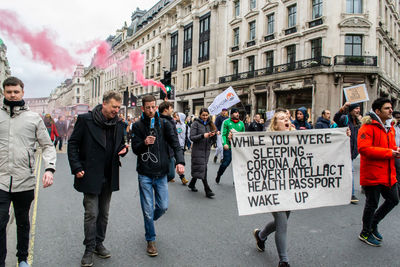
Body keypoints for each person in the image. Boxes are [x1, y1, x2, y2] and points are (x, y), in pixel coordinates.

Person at [0, 77, 56, 267]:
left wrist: (49, 168)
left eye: (16, 91)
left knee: (23, 222)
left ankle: (22, 258)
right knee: (0, 222)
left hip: (24, 180)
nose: (12, 95)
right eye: (9, 92)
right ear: (3, 93)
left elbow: (47, 146)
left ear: (23, 92)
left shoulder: (33, 119)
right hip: (0, 180)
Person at [67, 91, 128, 267]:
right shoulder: (86, 120)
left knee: (104, 214)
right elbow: (73, 144)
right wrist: (77, 167)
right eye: (113, 107)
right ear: (104, 104)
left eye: (118, 107)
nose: (116, 110)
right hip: (90, 174)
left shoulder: (118, 123)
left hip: (109, 174)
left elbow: (120, 145)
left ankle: (99, 243)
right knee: (91, 213)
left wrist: (123, 150)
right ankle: (89, 249)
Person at [131, 95, 185, 257]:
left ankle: (149, 223)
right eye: (148, 107)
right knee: (147, 210)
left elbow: (175, 143)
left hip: (161, 173)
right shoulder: (137, 126)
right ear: (143, 108)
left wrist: (180, 161)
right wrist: (144, 143)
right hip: (145, 174)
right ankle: (151, 239)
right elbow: (135, 148)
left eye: (153, 107)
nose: (151, 110)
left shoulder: (164, 123)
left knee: (163, 207)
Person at [357, 98, 399, 247]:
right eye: (387, 108)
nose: (391, 110)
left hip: (388, 173)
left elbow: (392, 145)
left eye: (390, 108)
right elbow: (364, 149)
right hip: (373, 174)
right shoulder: (367, 127)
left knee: (394, 200)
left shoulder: (390, 126)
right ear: (378, 111)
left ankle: (373, 224)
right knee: (371, 204)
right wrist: (390, 152)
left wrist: (396, 150)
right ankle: (365, 232)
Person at [253, 111, 293, 267]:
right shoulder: (266, 139)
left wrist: (343, 134)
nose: (286, 120)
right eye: (281, 118)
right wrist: (234, 138)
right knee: (282, 223)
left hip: (290, 187)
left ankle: (261, 235)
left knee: (280, 222)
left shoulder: (299, 138)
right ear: (275, 124)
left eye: (287, 118)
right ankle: (284, 261)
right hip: (273, 187)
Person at [334, 102, 361, 204]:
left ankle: (340, 190)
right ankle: (351, 194)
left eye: (359, 108)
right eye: (356, 109)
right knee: (350, 171)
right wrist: (343, 108)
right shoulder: (344, 118)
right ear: (351, 110)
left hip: (352, 151)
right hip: (344, 150)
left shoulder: (357, 122)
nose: (358, 110)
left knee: (344, 171)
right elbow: (336, 118)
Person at [188, 108, 217, 198]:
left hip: (206, 150)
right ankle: (207, 189)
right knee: (203, 168)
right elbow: (192, 137)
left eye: (206, 115)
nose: (205, 117)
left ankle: (192, 184)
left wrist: (213, 135)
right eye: (203, 115)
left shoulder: (210, 124)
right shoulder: (195, 123)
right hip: (197, 150)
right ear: (200, 115)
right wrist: (202, 136)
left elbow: (213, 140)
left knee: (200, 168)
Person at [159, 102, 188, 185]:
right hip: (163, 151)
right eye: (171, 108)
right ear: (165, 110)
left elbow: (177, 137)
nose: (172, 111)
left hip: (174, 148)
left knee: (171, 174)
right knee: (167, 174)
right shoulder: (159, 121)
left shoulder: (172, 121)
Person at [215, 108, 245, 184]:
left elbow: (243, 135)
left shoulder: (241, 123)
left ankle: (236, 180)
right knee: (226, 163)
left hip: (237, 148)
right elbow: (223, 134)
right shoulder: (226, 122)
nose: (237, 114)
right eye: (235, 113)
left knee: (237, 165)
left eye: (238, 112)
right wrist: (224, 143)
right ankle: (219, 174)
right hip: (228, 147)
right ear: (231, 114)